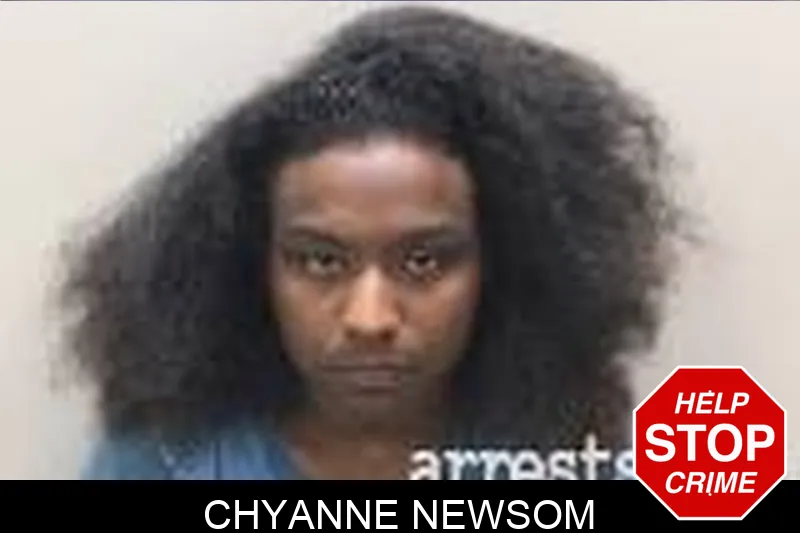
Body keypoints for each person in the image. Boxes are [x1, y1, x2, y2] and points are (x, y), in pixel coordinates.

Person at [59, 6, 684, 480]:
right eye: (320, 261)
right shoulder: (164, 459)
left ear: (504, 266)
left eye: (424, 261)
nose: (370, 319)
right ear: (253, 267)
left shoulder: (580, 458)